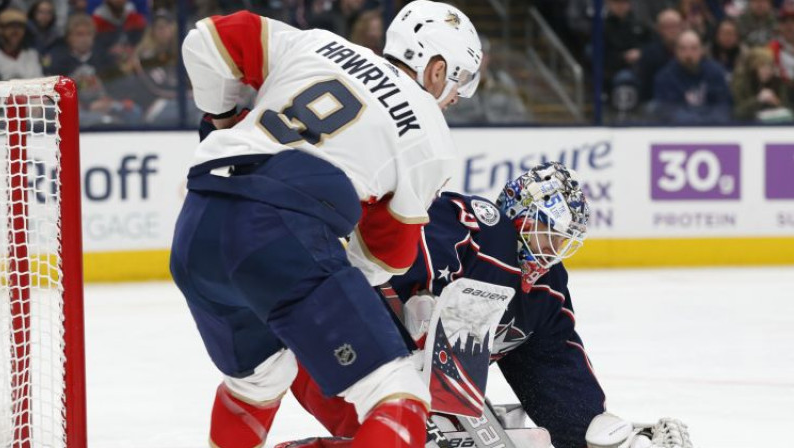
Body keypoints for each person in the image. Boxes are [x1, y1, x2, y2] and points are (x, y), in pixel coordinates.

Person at [169, 2, 483, 448]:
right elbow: (383, 256)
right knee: (401, 399)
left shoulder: (318, 42)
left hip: (197, 224)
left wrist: (223, 118)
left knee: (258, 383)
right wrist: (329, 299)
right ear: (435, 69)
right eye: (460, 79)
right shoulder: (431, 135)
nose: (456, 96)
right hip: (280, 233)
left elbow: (207, 40)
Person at [283, 162, 694, 448]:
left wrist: (587, 427)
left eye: (562, 243)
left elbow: (552, 362)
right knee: (402, 435)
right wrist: (417, 303)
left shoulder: (547, 289)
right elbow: (393, 250)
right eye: (545, 234)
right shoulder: (479, 226)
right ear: (519, 214)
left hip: (413, 387)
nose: (550, 252)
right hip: (332, 346)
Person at [652, 30, 732, 123]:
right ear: (676, 51)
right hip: (678, 132)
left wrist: (706, 124)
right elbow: (668, 111)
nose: (688, 54)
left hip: (711, 130)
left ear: (702, 50)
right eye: (683, 49)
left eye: (694, 48)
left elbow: (723, 106)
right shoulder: (665, 77)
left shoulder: (716, 72)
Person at [731, 46, 794, 121]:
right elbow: (737, 112)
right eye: (762, 66)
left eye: (770, 67)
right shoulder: (741, 83)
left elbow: (789, 109)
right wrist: (758, 100)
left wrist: (777, 102)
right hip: (748, 126)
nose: (768, 71)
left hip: (775, 126)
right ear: (753, 67)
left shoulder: (778, 82)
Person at [637, 8, 684, 102]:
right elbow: (645, 88)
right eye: (667, 26)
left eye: (675, 26)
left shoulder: (691, 49)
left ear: (682, 27)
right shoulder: (649, 54)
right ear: (659, 29)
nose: (672, 30)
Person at [0, 8, 43, 80]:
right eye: (10, 26)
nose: (15, 31)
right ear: (0, 29)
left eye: (20, 26)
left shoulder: (32, 54)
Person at [770, 3, 794, 83]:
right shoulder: (772, 48)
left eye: (793, 21)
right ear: (779, 25)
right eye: (785, 21)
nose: (789, 26)